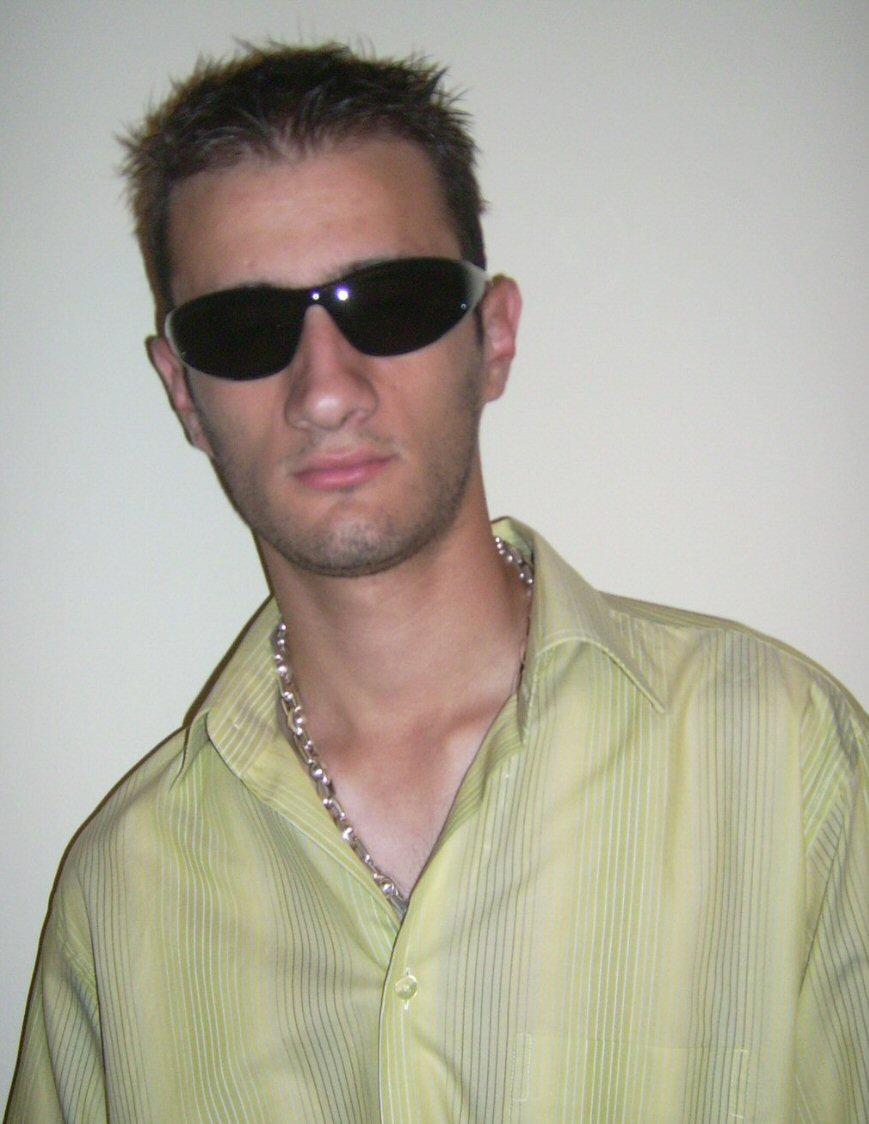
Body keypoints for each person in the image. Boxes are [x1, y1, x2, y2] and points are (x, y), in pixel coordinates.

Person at [6, 42, 868, 1124]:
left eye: (392, 302)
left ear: (492, 338)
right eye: (244, 328)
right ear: (183, 391)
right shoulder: (118, 894)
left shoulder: (787, 762)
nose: (325, 390)